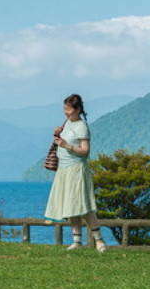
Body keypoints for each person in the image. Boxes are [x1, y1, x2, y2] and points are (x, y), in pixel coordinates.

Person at [44, 94, 107, 253]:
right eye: (64, 109)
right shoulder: (67, 124)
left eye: (68, 110)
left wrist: (66, 145)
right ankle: (76, 240)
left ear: (77, 109)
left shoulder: (81, 126)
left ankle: (99, 241)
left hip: (76, 170)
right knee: (70, 206)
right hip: (64, 169)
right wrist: (58, 135)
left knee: (83, 206)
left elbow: (85, 151)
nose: (65, 112)